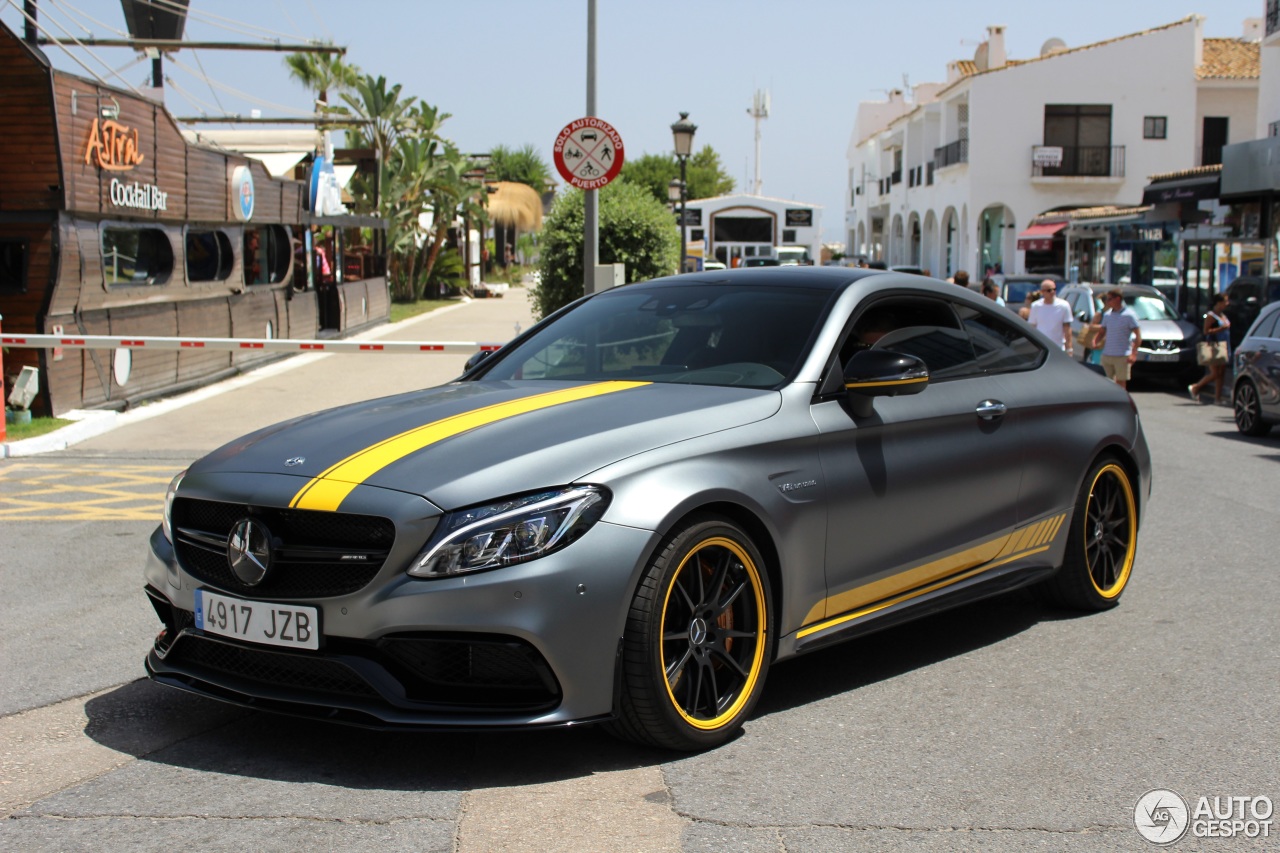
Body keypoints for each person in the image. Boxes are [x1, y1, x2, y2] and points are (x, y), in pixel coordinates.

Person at [1092, 288, 1141, 389]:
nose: (1107, 302)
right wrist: (1095, 341)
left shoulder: (1129, 315)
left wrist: (1134, 353)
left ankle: (1121, 402)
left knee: (1120, 382)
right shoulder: (1107, 315)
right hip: (1107, 354)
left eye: (1109, 299)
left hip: (1122, 355)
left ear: (1118, 299)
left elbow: (1138, 335)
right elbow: (1102, 331)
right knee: (1105, 381)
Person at [1188, 292, 1231, 405]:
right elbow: (1206, 331)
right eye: (1225, 301)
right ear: (1219, 303)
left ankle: (1217, 398)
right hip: (1213, 346)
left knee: (1221, 373)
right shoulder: (1211, 316)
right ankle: (1195, 387)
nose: (1227, 304)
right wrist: (1221, 329)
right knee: (1215, 373)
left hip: (1223, 346)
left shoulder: (1223, 315)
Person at [1026, 280, 1073, 354]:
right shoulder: (1036, 306)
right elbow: (1032, 327)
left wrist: (1069, 348)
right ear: (1042, 292)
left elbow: (1067, 328)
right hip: (1041, 347)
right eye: (1049, 290)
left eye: (1054, 289)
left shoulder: (1064, 305)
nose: (1052, 292)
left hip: (1058, 347)